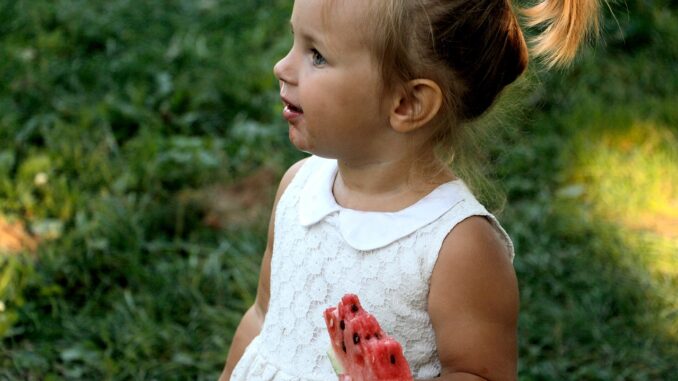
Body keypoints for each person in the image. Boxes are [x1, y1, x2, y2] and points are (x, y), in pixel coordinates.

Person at [219, 0, 599, 379]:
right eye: (294, 42)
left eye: (316, 55)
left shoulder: (457, 245)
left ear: (407, 103)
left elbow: (481, 373)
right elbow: (262, 318)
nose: (281, 67)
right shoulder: (297, 188)